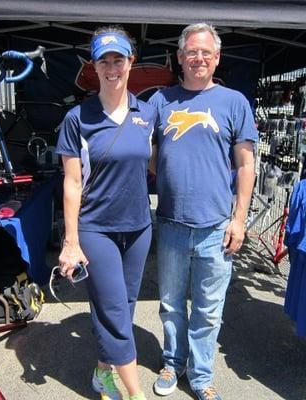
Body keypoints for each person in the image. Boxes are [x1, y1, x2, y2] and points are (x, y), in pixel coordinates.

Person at [148, 23, 258, 400]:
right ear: (179, 57)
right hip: (172, 224)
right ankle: (171, 362)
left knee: (209, 311)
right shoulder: (161, 101)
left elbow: (246, 165)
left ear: (217, 58)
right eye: (191, 52)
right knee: (170, 305)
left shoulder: (234, 102)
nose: (198, 58)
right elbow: (147, 152)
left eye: (205, 53)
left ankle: (200, 376)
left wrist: (239, 219)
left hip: (216, 227)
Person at [56, 26, 156, 400]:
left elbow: (157, 163)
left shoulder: (148, 113)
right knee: (115, 311)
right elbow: (71, 182)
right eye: (104, 60)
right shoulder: (77, 118)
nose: (112, 67)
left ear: (131, 62)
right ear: (93, 67)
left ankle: (103, 372)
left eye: (119, 59)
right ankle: (135, 394)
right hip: (96, 230)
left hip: (139, 228)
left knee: (122, 307)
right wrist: (70, 242)